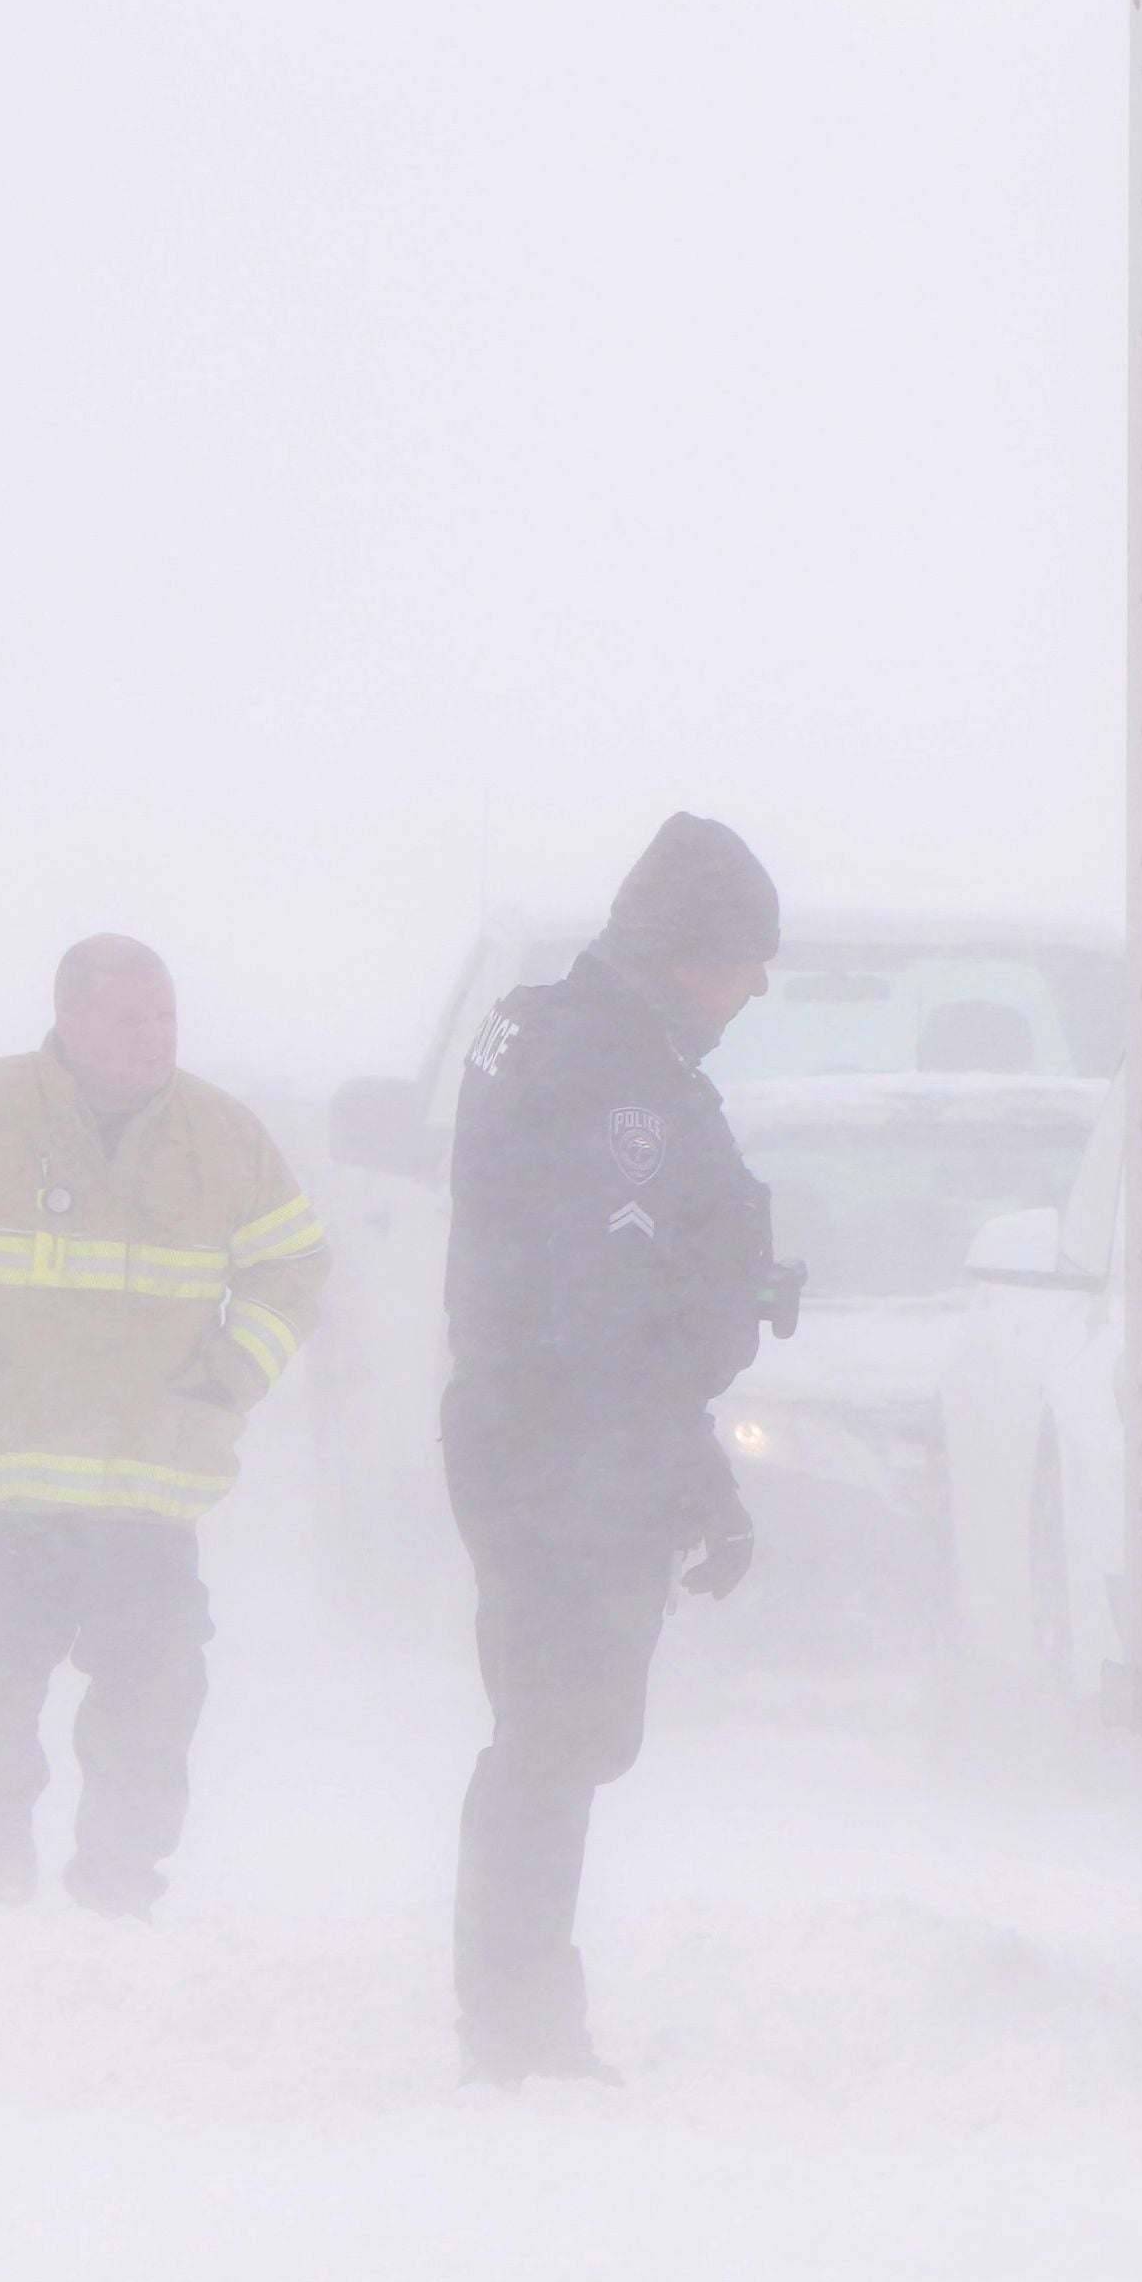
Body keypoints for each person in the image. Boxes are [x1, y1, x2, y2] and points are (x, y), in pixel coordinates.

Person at [0, 937, 330, 1913]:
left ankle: (120, 1878)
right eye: (130, 1019)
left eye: (167, 1016)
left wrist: (232, 1379)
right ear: (69, 1022)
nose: (155, 1038)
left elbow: (294, 1266)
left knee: (155, 1689)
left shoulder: (224, 1137)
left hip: (145, 1479)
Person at [437, 813, 795, 2084]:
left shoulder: (557, 1033)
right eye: (746, 957)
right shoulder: (616, 1082)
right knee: (554, 1733)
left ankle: (517, 2014)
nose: (756, 986)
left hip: (541, 1435)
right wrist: (672, 1467)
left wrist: (681, 1465)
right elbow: (607, 1308)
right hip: (564, 1449)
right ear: (687, 949)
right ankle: (520, 2029)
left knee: (561, 1729)